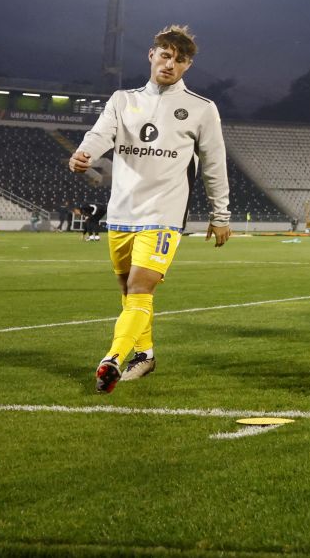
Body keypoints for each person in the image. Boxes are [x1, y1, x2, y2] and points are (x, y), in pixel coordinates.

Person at [67, 25, 232, 391]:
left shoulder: (201, 109)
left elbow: (214, 164)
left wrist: (220, 215)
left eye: (180, 59)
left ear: (188, 65)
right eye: (165, 55)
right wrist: (85, 154)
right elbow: (101, 133)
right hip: (122, 211)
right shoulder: (122, 100)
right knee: (129, 292)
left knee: (142, 286)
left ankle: (112, 358)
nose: (170, 64)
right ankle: (145, 355)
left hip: (164, 216)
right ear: (151, 55)